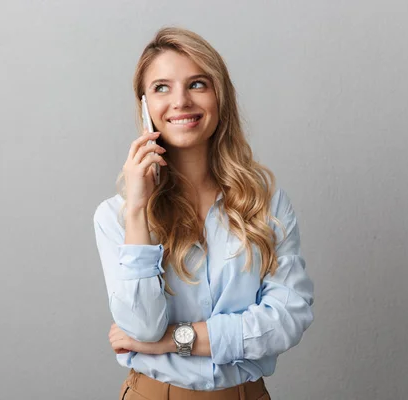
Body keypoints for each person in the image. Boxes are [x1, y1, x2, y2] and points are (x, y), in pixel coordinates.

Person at [93, 27, 314, 400]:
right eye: (161, 87)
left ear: (219, 97)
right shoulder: (116, 216)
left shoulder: (267, 203)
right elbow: (142, 327)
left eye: (197, 84)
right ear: (145, 106)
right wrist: (137, 210)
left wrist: (173, 341)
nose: (180, 101)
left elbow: (288, 319)